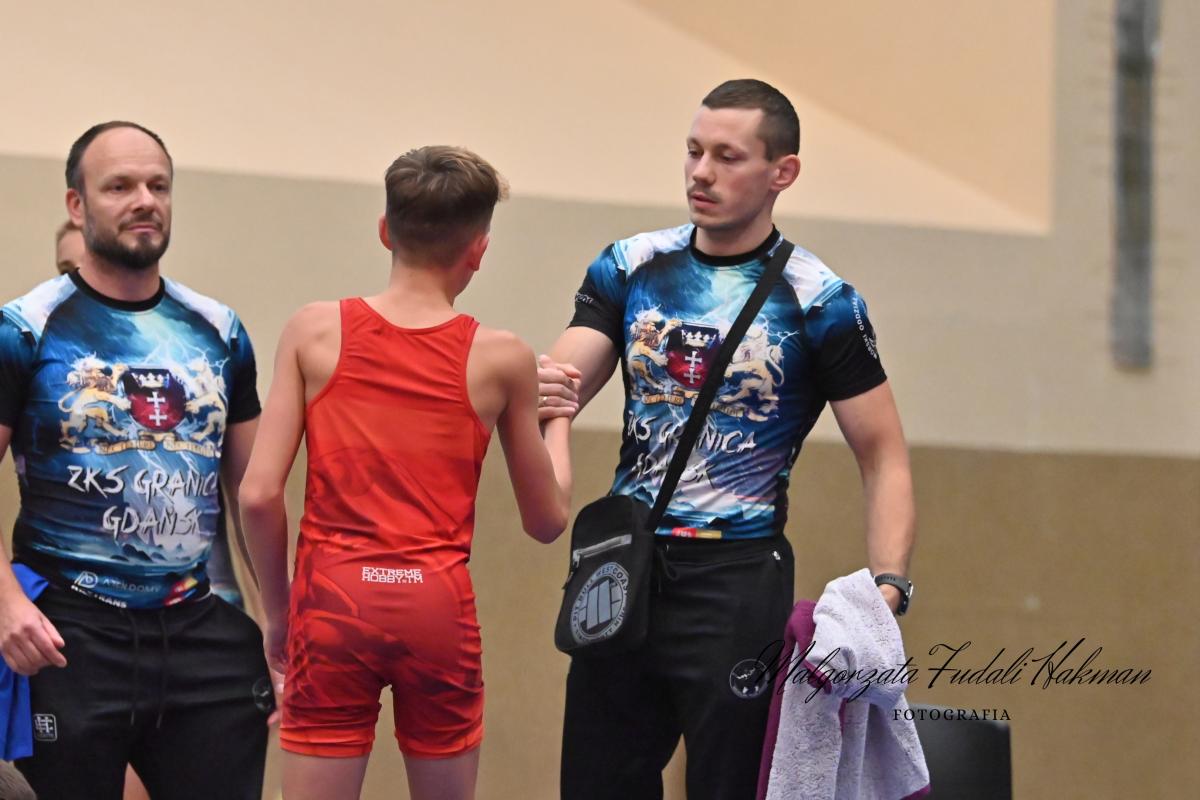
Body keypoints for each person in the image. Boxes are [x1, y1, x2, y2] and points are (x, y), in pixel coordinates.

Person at [538, 79, 917, 799]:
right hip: (625, 564)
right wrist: (536, 393)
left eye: (727, 157)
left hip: (737, 578)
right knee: (596, 781)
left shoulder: (821, 300)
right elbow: (561, 384)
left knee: (729, 785)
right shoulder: (631, 265)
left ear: (783, 172)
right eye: (693, 152)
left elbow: (884, 455)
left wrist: (888, 588)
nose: (700, 173)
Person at [239, 145, 574, 800]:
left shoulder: (312, 331)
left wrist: (279, 615)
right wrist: (555, 417)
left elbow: (257, 494)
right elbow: (547, 520)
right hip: (435, 606)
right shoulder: (503, 358)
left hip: (332, 602)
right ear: (479, 249)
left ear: (384, 230)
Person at [0, 121, 273, 799]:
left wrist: (282, 626)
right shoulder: (25, 329)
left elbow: (255, 493)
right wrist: (5, 604)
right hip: (67, 632)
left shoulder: (219, 330)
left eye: (158, 185)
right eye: (119, 186)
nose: (144, 200)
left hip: (198, 632)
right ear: (77, 204)